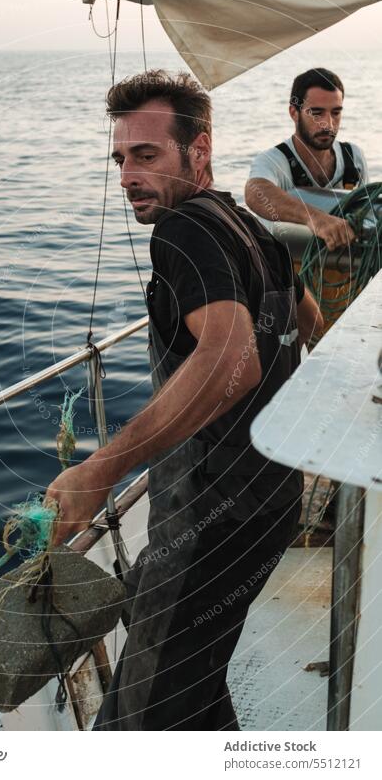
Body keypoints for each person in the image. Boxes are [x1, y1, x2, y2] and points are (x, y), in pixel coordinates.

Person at [46, 70, 323, 730]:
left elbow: (230, 362)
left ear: (198, 151)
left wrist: (98, 469)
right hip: (270, 500)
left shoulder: (180, 233)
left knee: (140, 718)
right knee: (185, 672)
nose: (126, 176)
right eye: (120, 158)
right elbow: (308, 323)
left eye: (145, 156)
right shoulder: (252, 226)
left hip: (211, 517)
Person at [245, 68, 369, 252]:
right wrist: (316, 219)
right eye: (317, 113)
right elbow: (254, 191)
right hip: (286, 270)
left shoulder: (354, 157)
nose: (328, 124)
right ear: (294, 112)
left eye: (336, 113)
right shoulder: (272, 161)